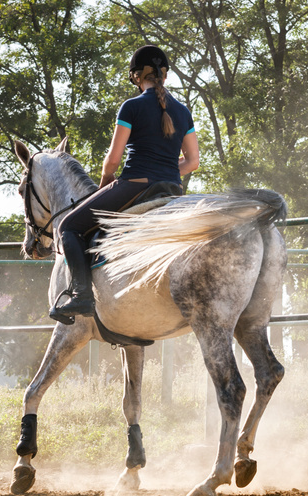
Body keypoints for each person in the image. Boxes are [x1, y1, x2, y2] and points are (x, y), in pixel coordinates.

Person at [50, 45, 200, 323]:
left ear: (135, 76)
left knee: (69, 227)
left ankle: (82, 295)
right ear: (164, 76)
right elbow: (192, 162)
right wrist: (166, 169)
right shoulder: (183, 112)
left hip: (134, 186)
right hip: (171, 189)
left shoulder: (131, 107)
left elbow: (112, 161)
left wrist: (103, 188)